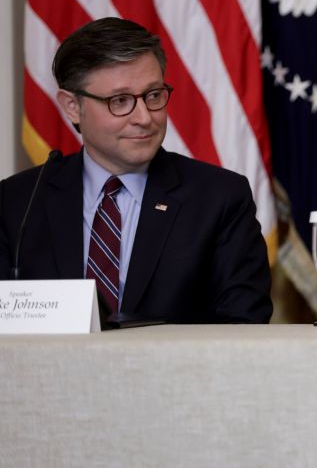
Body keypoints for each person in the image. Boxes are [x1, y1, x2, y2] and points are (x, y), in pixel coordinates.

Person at [0, 18, 272, 324]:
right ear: (73, 106)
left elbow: (243, 324)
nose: (144, 117)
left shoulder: (219, 198)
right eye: (120, 101)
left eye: (154, 95)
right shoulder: (16, 203)